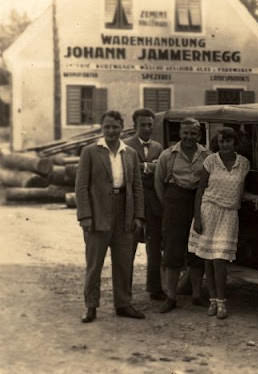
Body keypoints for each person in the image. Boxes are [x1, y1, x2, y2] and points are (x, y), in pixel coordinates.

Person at [75, 110, 145, 323]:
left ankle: (123, 304)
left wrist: (138, 216)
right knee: (94, 263)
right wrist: (85, 216)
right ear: (101, 128)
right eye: (107, 127)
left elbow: (137, 187)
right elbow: (81, 187)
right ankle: (91, 306)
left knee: (124, 262)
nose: (111, 131)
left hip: (124, 211)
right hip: (98, 214)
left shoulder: (130, 153)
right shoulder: (90, 152)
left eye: (115, 127)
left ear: (122, 128)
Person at [189, 127, 258, 319]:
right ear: (217, 143)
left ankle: (222, 302)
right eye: (221, 142)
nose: (225, 145)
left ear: (234, 143)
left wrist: (251, 196)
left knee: (220, 259)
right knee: (208, 259)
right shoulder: (210, 161)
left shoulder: (243, 164)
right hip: (208, 211)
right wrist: (197, 217)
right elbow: (200, 190)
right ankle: (212, 301)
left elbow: (239, 191)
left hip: (229, 214)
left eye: (228, 141)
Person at [154, 118, 209, 313]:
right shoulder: (168, 155)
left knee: (197, 249)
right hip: (174, 202)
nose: (189, 137)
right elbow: (159, 183)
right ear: (180, 133)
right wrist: (168, 205)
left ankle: (196, 294)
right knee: (172, 249)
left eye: (193, 133)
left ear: (199, 135)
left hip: (198, 202)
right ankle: (171, 297)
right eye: (185, 133)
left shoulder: (207, 155)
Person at [124, 108, 165, 301]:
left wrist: (149, 168)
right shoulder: (126, 146)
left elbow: (163, 170)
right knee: (128, 246)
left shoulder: (158, 147)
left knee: (155, 246)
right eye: (143, 125)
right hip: (132, 204)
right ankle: (125, 289)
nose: (147, 128)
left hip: (154, 202)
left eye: (150, 124)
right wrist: (150, 167)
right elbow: (128, 172)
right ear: (134, 126)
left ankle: (154, 288)